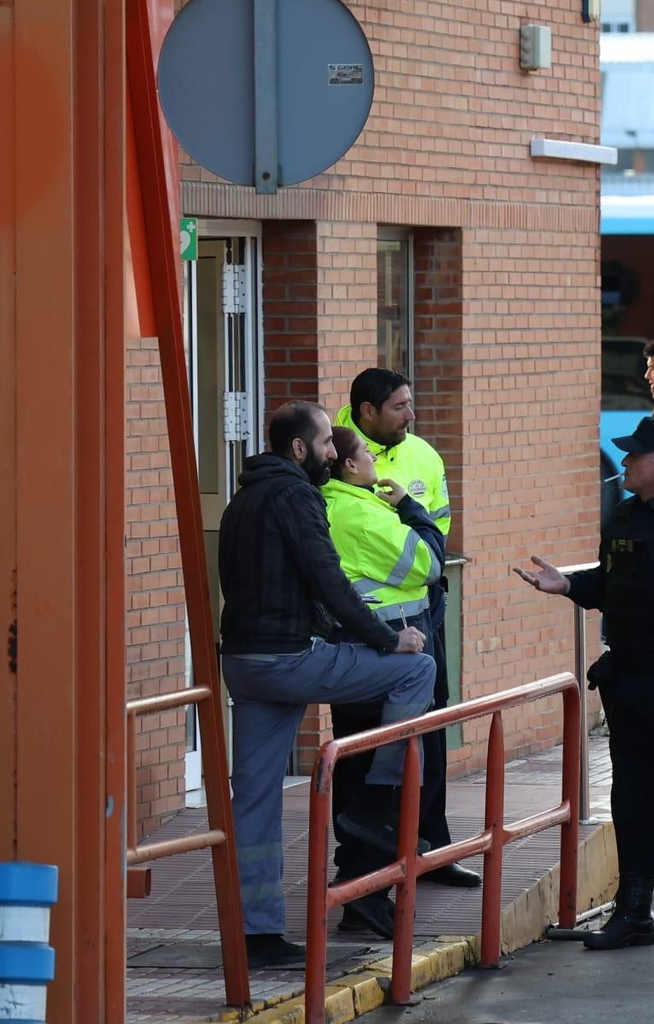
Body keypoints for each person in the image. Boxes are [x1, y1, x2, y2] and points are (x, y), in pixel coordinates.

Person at [217, 402, 435, 970]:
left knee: (255, 798)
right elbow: (330, 581)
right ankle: (376, 802)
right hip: (289, 658)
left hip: (243, 661)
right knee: (417, 669)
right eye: (325, 445)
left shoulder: (242, 498)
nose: (333, 454)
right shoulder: (296, 496)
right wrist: (388, 640)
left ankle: (256, 934)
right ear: (299, 449)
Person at [512, 417, 654, 954]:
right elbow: (611, 585)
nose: (624, 463)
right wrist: (568, 584)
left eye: (635, 456)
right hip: (628, 675)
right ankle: (633, 911)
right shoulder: (625, 515)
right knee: (631, 797)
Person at [333, 369, 479, 889]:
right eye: (399, 407)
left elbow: (438, 528)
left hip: (423, 613)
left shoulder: (423, 455)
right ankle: (359, 863)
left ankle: (431, 848)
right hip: (368, 627)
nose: (410, 416)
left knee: (430, 732)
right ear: (368, 412)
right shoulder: (336, 450)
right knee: (361, 744)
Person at [321, 426, 448, 938]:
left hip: (356, 651)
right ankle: (366, 896)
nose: (377, 462)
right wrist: (411, 510)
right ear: (351, 466)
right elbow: (430, 564)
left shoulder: (329, 505)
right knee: (389, 777)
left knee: (357, 771)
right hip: (391, 652)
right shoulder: (364, 514)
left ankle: (356, 891)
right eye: (367, 456)